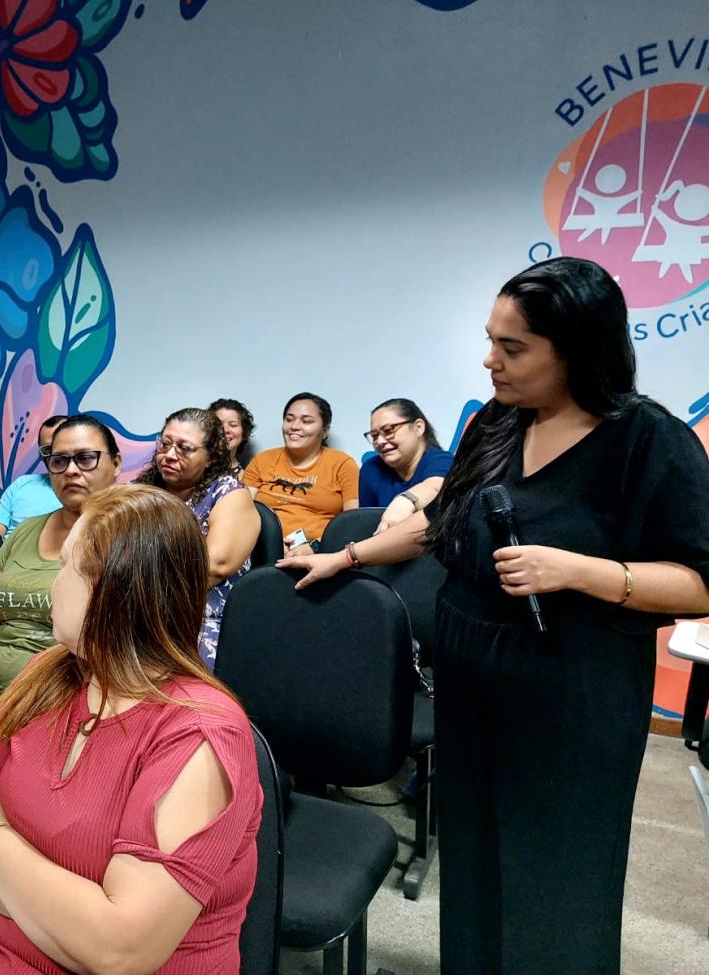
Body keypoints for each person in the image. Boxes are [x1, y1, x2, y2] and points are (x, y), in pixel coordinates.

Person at [280, 257, 709, 975]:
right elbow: (441, 521)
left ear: (577, 350)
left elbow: (700, 582)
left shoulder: (648, 441)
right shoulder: (498, 423)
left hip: (573, 692)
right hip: (474, 682)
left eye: (513, 347)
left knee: (556, 874)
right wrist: (346, 556)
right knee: (475, 861)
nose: (490, 360)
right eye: (491, 340)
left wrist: (581, 571)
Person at [0, 483, 262, 974]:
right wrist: (68, 926)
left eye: (66, 568)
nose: (52, 586)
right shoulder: (47, 673)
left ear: (110, 590)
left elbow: (119, 952)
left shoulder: (200, 733)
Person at [0, 415, 121, 700]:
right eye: (59, 461)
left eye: (85, 459)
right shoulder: (27, 530)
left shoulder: (130, 538)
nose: (71, 471)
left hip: (76, 701)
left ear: (115, 464)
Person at [136, 408, 259, 668]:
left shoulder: (229, 493)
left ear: (211, 457)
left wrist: (137, 585)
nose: (170, 455)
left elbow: (215, 566)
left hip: (203, 618)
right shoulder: (141, 492)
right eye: (165, 444)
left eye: (185, 449)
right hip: (141, 610)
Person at [242, 392, 359, 553]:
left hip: (319, 552)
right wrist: (267, 545)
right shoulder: (262, 460)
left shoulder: (342, 464)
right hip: (261, 549)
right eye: (289, 419)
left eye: (306, 421)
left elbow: (351, 522)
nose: (294, 426)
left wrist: (314, 547)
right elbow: (242, 510)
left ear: (325, 430)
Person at [358, 398, 454, 534]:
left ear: (418, 427)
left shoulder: (441, 460)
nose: (380, 441)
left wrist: (405, 501)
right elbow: (365, 523)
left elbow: (435, 487)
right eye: (374, 436)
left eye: (388, 431)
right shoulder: (371, 469)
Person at [0, 414, 67, 537]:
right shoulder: (22, 484)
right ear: (41, 455)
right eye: (47, 449)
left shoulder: (82, 491)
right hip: (7, 548)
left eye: (60, 446)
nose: (55, 454)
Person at [209, 398, 256, 478]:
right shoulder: (193, 467)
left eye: (233, 425)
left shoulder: (246, 479)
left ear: (244, 432)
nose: (225, 430)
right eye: (218, 424)